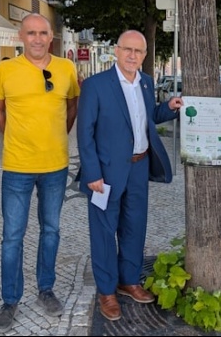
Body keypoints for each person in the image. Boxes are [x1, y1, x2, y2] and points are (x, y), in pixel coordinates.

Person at [76, 30, 183, 322]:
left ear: (145, 55)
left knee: (135, 227)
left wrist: (168, 109)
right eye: (127, 50)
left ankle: (129, 280)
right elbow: (84, 133)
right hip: (106, 173)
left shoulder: (146, 83)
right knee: (103, 232)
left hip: (139, 167)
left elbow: (147, 118)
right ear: (116, 50)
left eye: (139, 51)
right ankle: (107, 291)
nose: (133, 55)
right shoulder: (96, 85)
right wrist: (92, 173)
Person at [0, 13, 80, 333]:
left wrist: (59, 137)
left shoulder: (67, 68)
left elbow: (72, 107)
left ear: (51, 36)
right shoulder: (5, 69)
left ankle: (46, 289)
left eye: (43, 33)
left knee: (51, 230)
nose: (37, 38)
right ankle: (10, 300)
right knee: (12, 236)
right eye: (31, 33)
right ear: (21, 36)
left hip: (56, 166)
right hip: (16, 167)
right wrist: (10, 134)